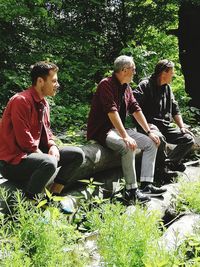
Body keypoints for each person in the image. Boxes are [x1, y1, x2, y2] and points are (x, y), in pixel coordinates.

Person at [0, 61, 85, 206]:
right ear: (40, 81)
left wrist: (52, 146)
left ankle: (52, 197)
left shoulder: (44, 103)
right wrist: (45, 155)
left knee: (77, 154)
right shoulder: (21, 101)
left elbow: (47, 132)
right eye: (54, 81)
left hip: (32, 156)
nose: (57, 85)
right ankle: (29, 206)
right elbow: (24, 140)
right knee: (49, 162)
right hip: (12, 163)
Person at [87, 55, 167, 204]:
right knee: (127, 146)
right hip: (103, 131)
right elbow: (112, 112)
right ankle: (131, 191)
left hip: (119, 129)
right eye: (133, 69)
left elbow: (136, 109)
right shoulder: (106, 84)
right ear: (124, 70)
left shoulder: (127, 87)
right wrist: (125, 136)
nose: (134, 72)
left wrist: (149, 132)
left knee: (151, 143)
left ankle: (146, 185)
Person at [133, 59, 195, 177]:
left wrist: (182, 127)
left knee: (188, 138)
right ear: (164, 72)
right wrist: (147, 126)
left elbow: (175, 109)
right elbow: (134, 108)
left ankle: (169, 164)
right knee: (159, 138)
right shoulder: (145, 85)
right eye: (171, 72)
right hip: (148, 127)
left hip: (164, 127)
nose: (173, 75)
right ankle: (162, 171)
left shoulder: (168, 88)